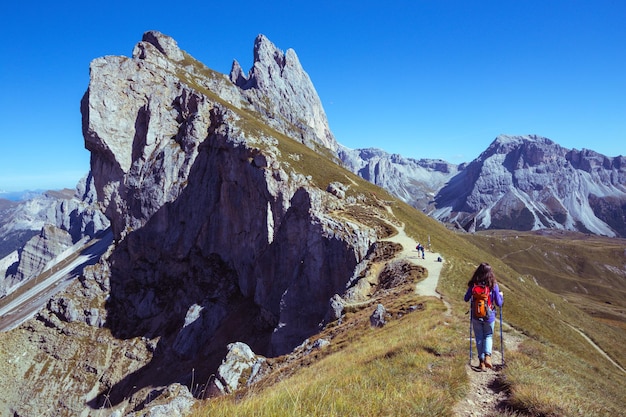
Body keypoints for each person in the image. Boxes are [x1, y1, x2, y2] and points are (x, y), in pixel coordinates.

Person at [464, 262, 503, 371]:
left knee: (479, 337)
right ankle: (488, 356)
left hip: (476, 315)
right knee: (488, 335)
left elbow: (466, 298)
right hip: (489, 315)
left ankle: (481, 362)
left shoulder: (474, 284)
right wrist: (501, 296)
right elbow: (499, 303)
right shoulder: (493, 285)